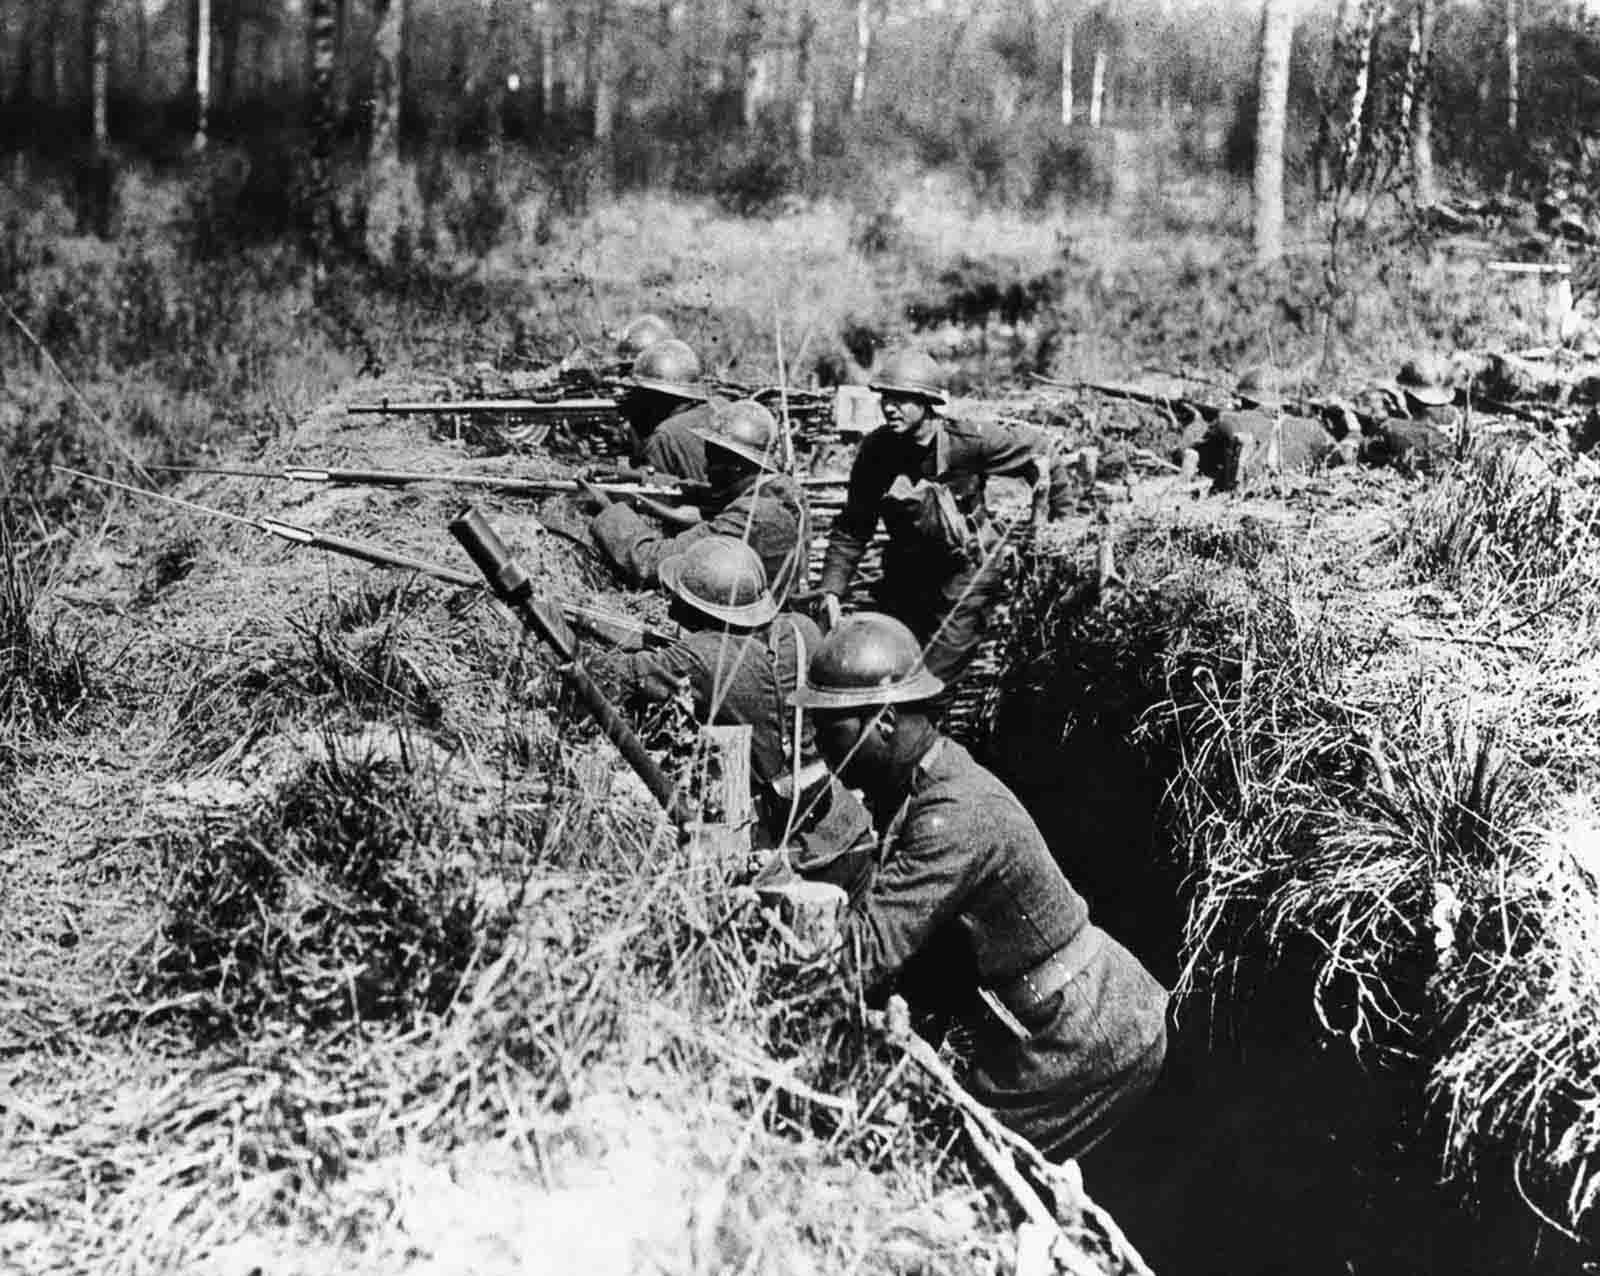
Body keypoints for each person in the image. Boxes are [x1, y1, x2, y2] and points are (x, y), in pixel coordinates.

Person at [791, 612, 1169, 1160]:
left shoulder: (952, 815)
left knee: (955, 1171)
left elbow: (864, 954)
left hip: (1087, 1035)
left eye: (831, 730)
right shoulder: (927, 783)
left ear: (885, 721)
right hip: (1063, 1013)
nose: (822, 748)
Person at [590, 537, 873, 895]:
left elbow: (612, 677)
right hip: (845, 828)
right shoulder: (803, 629)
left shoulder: (702, 656)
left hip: (784, 856)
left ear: (700, 609)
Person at [811, 348, 1072, 691]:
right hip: (909, 573)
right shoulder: (877, 452)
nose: (890, 406)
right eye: (886, 397)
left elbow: (1042, 453)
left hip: (967, 572)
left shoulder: (971, 442)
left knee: (934, 680)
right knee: (889, 666)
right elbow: (854, 525)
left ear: (928, 402)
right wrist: (832, 589)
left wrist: (1061, 526)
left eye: (903, 399)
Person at [580, 398, 811, 607]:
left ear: (737, 465)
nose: (705, 470)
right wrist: (639, 478)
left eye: (712, 461)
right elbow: (699, 492)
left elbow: (650, 561)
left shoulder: (754, 517)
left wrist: (609, 511)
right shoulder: (778, 489)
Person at [1187, 369, 1339, 491]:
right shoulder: (1311, 427)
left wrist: (1196, 423)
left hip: (1242, 499)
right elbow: (1337, 458)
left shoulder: (1229, 420)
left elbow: (1192, 455)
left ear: (1244, 399)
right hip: (1293, 497)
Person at [616, 338, 725, 485]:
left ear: (654, 397)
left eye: (639, 394)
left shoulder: (665, 437)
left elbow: (651, 499)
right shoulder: (721, 408)